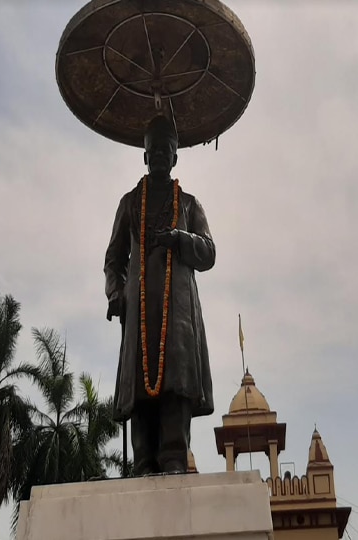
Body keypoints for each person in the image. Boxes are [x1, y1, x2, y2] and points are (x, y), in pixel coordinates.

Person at [104, 115, 215, 475]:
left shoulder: (189, 204)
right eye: (155, 151)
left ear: (176, 157)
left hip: (178, 308)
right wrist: (115, 292)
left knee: (175, 380)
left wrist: (179, 239)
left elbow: (209, 253)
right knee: (141, 383)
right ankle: (143, 459)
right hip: (138, 308)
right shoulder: (130, 202)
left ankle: (173, 455)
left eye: (168, 151)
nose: (161, 157)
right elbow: (114, 259)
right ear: (145, 156)